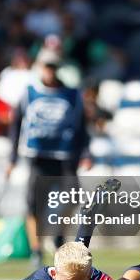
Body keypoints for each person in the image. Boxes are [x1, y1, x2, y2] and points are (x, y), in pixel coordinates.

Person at [7, 60, 91, 268]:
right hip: (38, 156)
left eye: (53, 67)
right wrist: (12, 159)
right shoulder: (29, 93)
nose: (49, 71)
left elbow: (82, 127)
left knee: (72, 197)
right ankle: (36, 249)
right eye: (46, 67)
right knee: (34, 205)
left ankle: (58, 236)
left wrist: (87, 153)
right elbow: (16, 126)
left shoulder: (72, 95)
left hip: (64, 157)